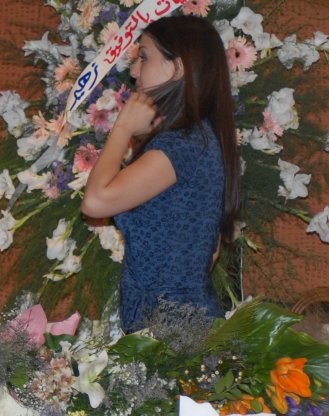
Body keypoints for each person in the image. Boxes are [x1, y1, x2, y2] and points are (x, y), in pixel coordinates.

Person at [81, 15, 241, 332]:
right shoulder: (195, 139)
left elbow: (95, 202)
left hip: (173, 333)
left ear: (178, 68)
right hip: (176, 328)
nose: (134, 71)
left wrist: (122, 127)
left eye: (144, 57)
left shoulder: (181, 146)